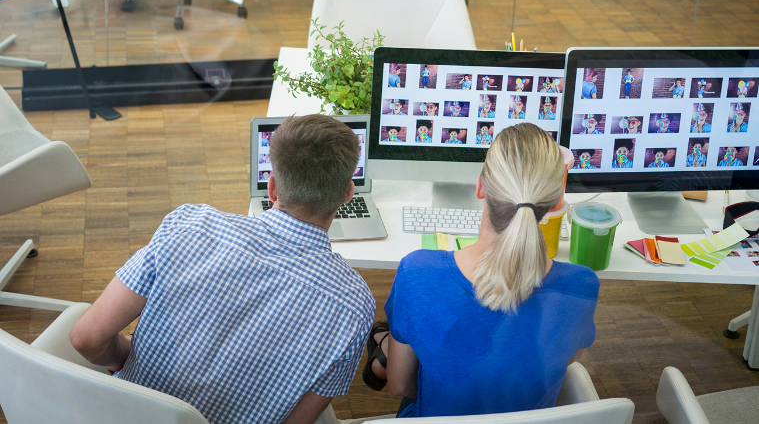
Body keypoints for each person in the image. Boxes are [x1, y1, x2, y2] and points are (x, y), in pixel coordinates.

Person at [69, 115, 375, 424]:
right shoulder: (355, 306)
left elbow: (86, 338)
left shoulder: (190, 225)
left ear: (271, 188)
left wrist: (125, 354)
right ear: (348, 194)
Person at [360, 124, 599, 417]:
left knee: (417, 335)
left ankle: (385, 345)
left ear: (481, 187)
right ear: (554, 203)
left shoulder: (419, 273)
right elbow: (564, 359)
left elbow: (401, 386)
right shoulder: (582, 285)